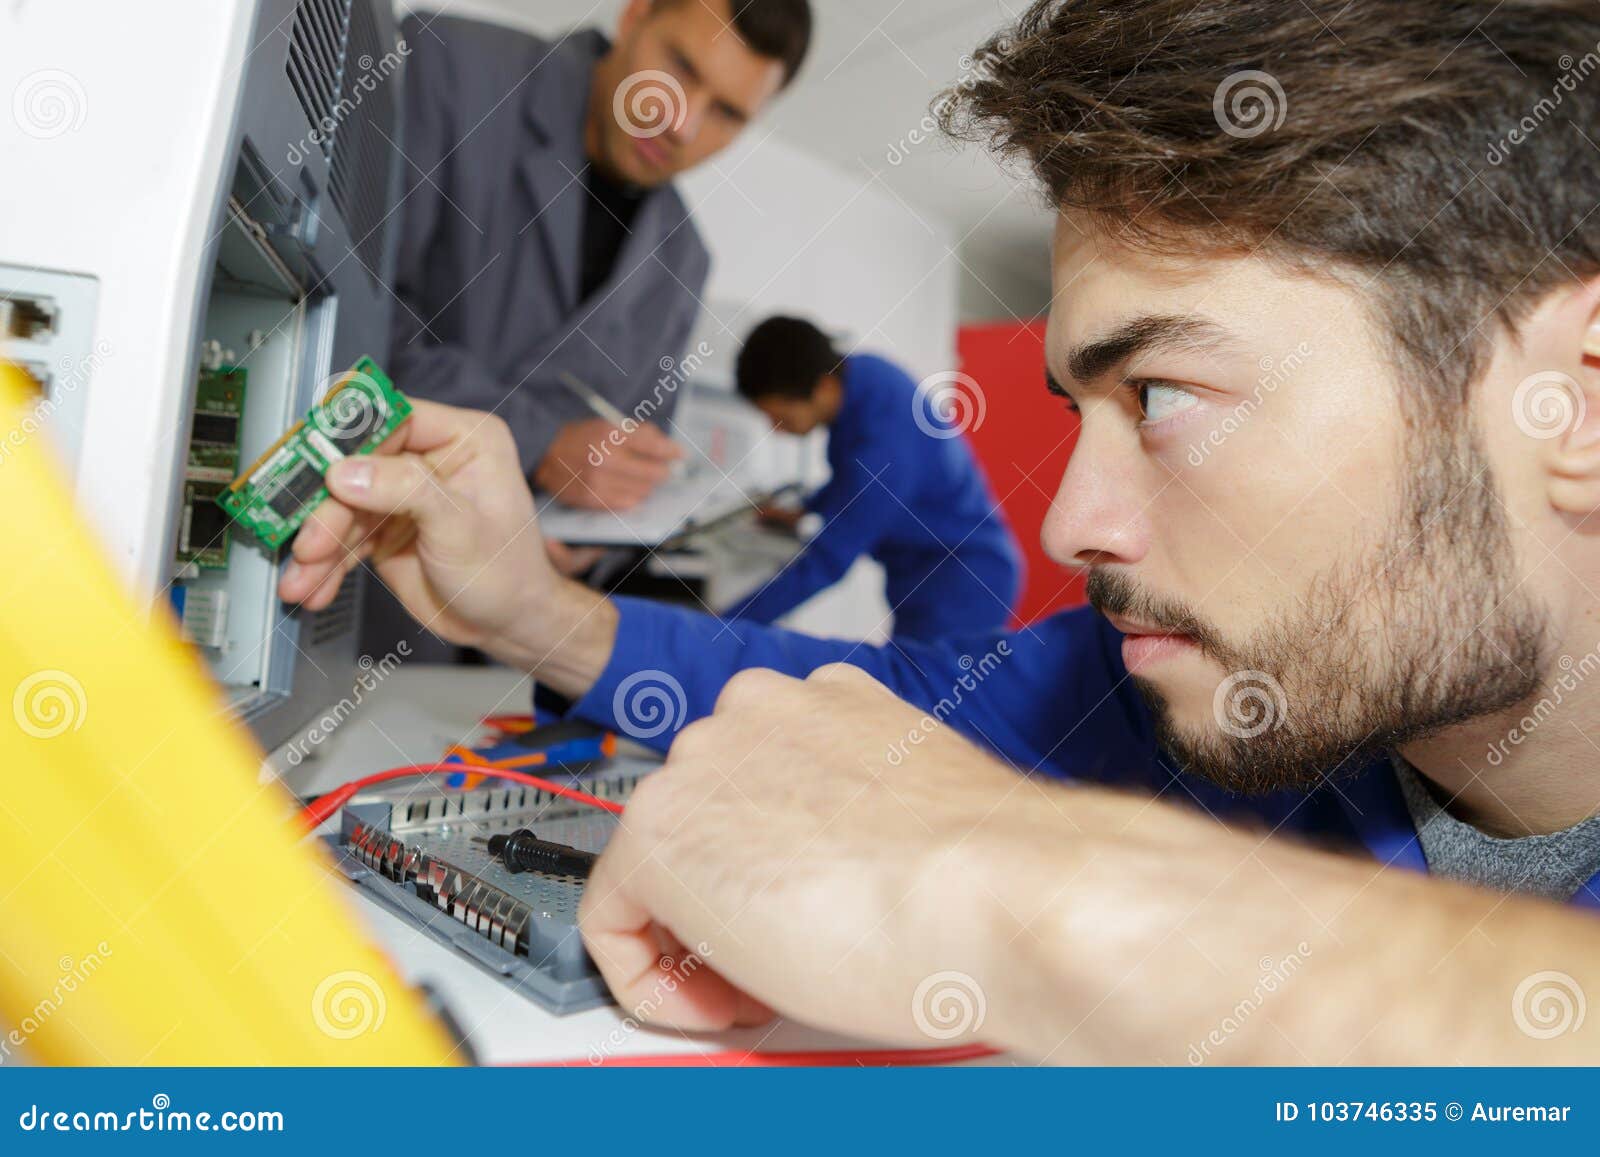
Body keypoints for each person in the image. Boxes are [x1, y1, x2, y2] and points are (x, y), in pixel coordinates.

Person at [283, 0, 1600, 1063]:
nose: (1077, 523)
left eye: (1164, 395)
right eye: (1080, 406)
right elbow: (868, 705)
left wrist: (1041, 886)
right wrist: (529, 609)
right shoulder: (1155, 681)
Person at [389, 0, 810, 512]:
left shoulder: (687, 263)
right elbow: (351, 315)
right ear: (635, 16)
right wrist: (539, 444)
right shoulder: (449, 63)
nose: (683, 126)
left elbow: (635, 453)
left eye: (726, 112)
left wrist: (598, 528)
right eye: (681, 66)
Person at [723, 317, 1022, 640]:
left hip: (962, 582)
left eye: (781, 417)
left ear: (822, 387)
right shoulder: (863, 377)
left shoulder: (884, 443)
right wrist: (807, 509)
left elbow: (827, 562)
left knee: (917, 687)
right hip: (933, 574)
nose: (776, 429)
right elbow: (852, 483)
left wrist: (723, 626)